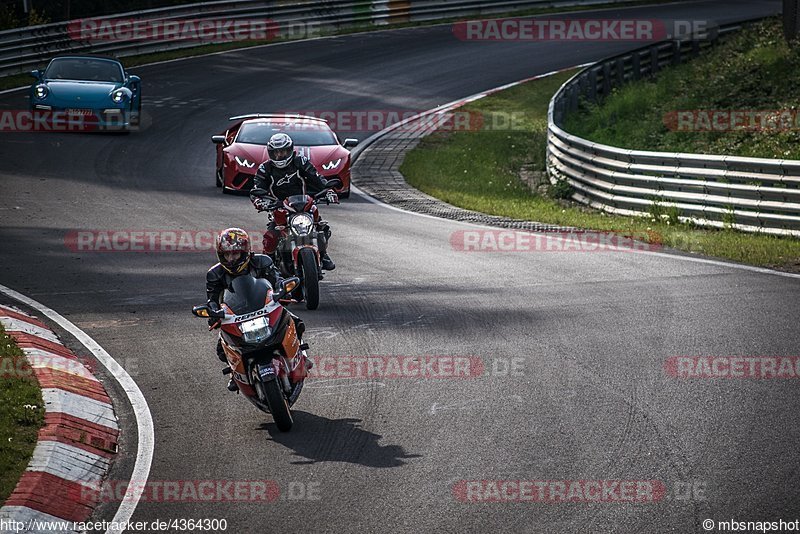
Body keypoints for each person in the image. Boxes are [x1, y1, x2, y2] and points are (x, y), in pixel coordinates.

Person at [205, 227, 310, 392]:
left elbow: (277, 280)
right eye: (227, 255)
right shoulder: (214, 274)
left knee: (297, 322)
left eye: (235, 254)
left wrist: (281, 290)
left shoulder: (262, 261)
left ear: (245, 252)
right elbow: (212, 298)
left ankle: (300, 354)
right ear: (220, 254)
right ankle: (235, 373)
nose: (231, 259)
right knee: (221, 349)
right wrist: (212, 312)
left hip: (264, 307)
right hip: (235, 316)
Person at [250, 132, 338, 271]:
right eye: (276, 152)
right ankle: (268, 265)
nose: (280, 156)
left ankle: (323, 253)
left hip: (304, 205)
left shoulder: (300, 162)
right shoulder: (265, 169)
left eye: (283, 151)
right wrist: (259, 201)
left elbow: (316, 177)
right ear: (270, 152)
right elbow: (256, 189)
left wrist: (328, 190)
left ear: (290, 150)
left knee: (321, 227)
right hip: (279, 207)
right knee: (272, 236)